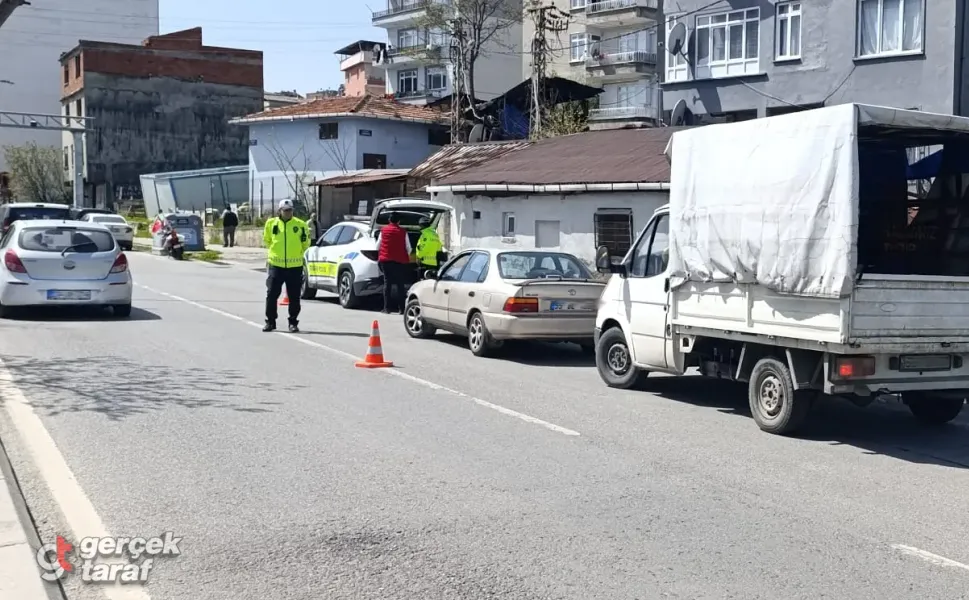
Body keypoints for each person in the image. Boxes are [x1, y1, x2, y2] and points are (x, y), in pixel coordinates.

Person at [262, 199, 311, 332]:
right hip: (276, 265)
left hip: (294, 266)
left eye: (290, 210)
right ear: (280, 211)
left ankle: (293, 322)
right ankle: (270, 322)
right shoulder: (271, 223)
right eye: (285, 210)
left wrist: (296, 253)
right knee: (272, 294)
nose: (288, 213)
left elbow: (306, 243)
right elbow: (267, 239)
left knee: (294, 296)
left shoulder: (300, 225)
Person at [376, 212, 412, 314]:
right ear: (399, 221)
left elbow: (376, 247)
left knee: (387, 283)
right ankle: (402, 309)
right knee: (400, 285)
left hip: (386, 261)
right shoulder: (403, 232)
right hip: (400, 261)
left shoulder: (383, 231)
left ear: (389, 220)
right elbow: (408, 248)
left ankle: (386, 308)